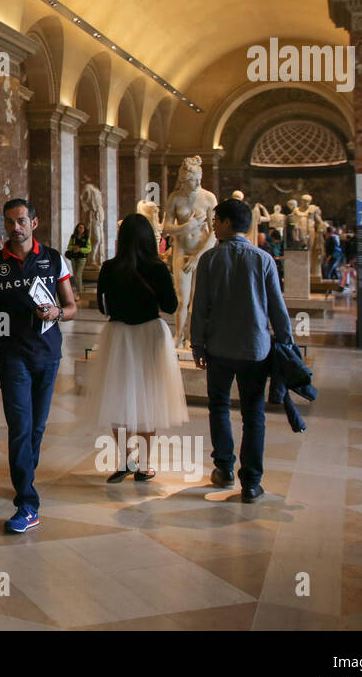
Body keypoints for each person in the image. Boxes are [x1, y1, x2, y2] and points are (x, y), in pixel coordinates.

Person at [0, 199, 77, 533]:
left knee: (37, 427)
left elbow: (71, 305)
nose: (15, 228)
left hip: (48, 354)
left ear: (35, 222)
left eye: (21, 221)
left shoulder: (53, 258)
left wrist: (57, 313)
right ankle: (27, 502)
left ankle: (24, 475)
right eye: (9, 222)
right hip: (12, 355)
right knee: (20, 426)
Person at [190, 198, 293, 503]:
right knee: (253, 413)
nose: (212, 224)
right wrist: (286, 344)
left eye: (215, 219)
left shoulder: (209, 260)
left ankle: (223, 469)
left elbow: (200, 309)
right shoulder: (263, 260)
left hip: (219, 348)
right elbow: (278, 308)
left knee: (219, 406)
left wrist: (197, 344)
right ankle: (251, 481)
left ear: (226, 223)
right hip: (255, 350)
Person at [88, 214, 188, 483]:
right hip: (151, 335)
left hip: (119, 335)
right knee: (149, 400)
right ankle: (144, 466)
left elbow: (102, 307)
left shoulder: (109, 267)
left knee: (117, 397)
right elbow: (170, 307)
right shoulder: (157, 268)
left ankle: (124, 459)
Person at [64, 222, 92, 298]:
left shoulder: (86, 237)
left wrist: (80, 249)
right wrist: (73, 248)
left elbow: (89, 249)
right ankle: (80, 290)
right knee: (76, 275)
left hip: (82, 258)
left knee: (78, 275)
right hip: (74, 257)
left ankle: (79, 292)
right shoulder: (73, 237)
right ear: (77, 228)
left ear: (84, 229)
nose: (81, 229)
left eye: (82, 227)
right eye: (79, 227)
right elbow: (69, 247)